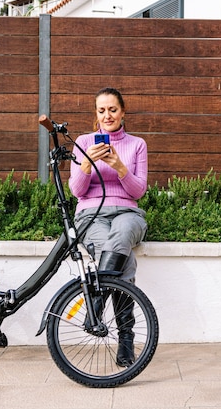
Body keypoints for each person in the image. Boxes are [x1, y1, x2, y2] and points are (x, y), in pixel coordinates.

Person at [68, 87, 148, 366]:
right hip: (92, 214)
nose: (107, 115)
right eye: (101, 110)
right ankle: (126, 339)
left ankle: (96, 307)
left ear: (123, 111)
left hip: (128, 212)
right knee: (120, 260)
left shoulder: (137, 144)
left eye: (112, 109)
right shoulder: (83, 142)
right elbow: (77, 191)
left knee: (122, 234)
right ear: (96, 114)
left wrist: (120, 166)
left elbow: (138, 192)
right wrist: (87, 163)